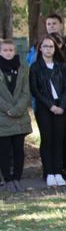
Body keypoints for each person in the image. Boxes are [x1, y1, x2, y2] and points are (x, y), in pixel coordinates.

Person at [30, 36, 66, 187]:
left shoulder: (61, 66)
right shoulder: (35, 67)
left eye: (51, 46)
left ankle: (58, 172)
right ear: (40, 49)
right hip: (44, 108)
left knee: (59, 140)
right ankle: (49, 172)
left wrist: (62, 106)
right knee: (47, 140)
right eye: (45, 46)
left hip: (60, 107)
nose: (48, 49)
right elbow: (35, 90)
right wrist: (50, 106)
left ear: (55, 49)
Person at [0, 39, 32, 193]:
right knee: (4, 150)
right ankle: (7, 179)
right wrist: (8, 109)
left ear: (15, 51)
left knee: (19, 149)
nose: (8, 53)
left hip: (20, 116)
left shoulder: (23, 68)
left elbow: (26, 91)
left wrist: (17, 109)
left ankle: (17, 178)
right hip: (3, 115)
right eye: (5, 50)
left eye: (11, 50)